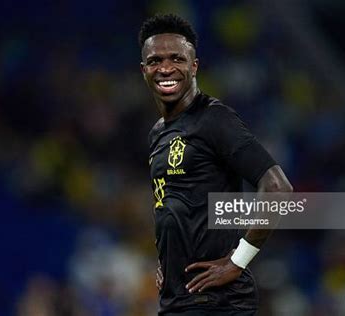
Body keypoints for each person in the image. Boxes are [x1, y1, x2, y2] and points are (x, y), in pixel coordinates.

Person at [139, 14, 292, 315]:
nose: (166, 68)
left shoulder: (213, 119)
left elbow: (277, 187)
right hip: (177, 300)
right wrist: (167, 261)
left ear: (194, 66)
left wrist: (238, 260)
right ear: (144, 70)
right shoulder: (157, 133)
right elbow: (172, 205)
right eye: (155, 61)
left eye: (176, 59)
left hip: (217, 302)